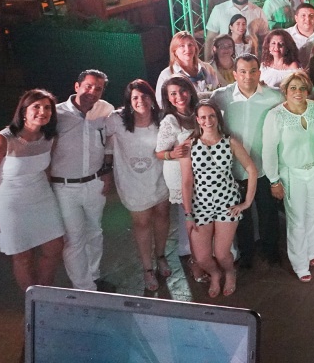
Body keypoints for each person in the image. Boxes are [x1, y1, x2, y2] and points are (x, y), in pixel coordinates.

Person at [0, 89, 65, 291]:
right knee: (23, 257)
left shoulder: (49, 137)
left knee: (54, 248)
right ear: (23, 111)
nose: (42, 112)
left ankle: (43, 295)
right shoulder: (3, 140)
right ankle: (32, 301)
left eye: (47, 107)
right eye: (36, 107)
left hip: (41, 199)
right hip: (10, 204)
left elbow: (45, 169)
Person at [209, 54, 285, 268]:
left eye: (252, 71)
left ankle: (271, 251)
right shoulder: (222, 96)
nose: (248, 76)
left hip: (263, 166)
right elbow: (204, 111)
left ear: (259, 73)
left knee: (268, 212)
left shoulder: (274, 96)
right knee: (239, 214)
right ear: (235, 74)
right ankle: (246, 254)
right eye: (242, 72)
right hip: (233, 169)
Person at [180, 101, 257, 298]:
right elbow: (187, 182)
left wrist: (247, 202)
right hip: (200, 205)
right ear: (197, 120)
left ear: (218, 118)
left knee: (222, 254)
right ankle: (215, 274)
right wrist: (188, 214)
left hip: (227, 203)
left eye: (212, 116)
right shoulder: (189, 145)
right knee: (202, 257)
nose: (208, 121)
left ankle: (230, 272)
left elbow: (251, 169)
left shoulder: (230, 142)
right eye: (203, 117)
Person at [50, 70, 114, 292]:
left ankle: (93, 277)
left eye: (98, 88)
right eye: (88, 86)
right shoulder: (56, 114)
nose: (92, 92)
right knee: (75, 238)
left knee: (95, 232)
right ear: (77, 86)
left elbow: (109, 142)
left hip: (95, 183)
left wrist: (107, 169)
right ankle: (84, 288)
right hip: (64, 186)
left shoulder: (105, 109)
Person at [104, 80, 170, 292]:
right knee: (142, 223)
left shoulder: (162, 118)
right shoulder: (117, 120)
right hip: (132, 181)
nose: (140, 100)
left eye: (144, 96)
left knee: (162, 216)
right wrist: (106, 166)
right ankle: (147, 268)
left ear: (152, 98)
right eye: (135, 97)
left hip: (160, 177)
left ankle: (161, 256)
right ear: (129, 101)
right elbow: (101, 138)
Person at [261, 71, 314, 282]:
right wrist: (274, 181)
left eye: (302, 88)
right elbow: (269, 151)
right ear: (285, 91)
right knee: (297, 219)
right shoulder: (276, 116)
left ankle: (310, 251)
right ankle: (299, 264)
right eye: (293, 88)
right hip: (291, 173)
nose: (298, 92)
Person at [156, 76, 202, 276]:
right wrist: (172, 154)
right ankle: (195, 261)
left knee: (201, 215)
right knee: (191, 217)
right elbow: (159, 152)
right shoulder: (170, 120)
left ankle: (204, 255)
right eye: (173, 94)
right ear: (167, 98)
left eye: (182, 91)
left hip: (202, 172)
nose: (179, 96)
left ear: (190, 91)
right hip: (179, 174)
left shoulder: (198, 111)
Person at [204, 0, 268, 59]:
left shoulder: (258, 11)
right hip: (224, 61)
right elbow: (210, 38)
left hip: (249, 61)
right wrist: (207, 62)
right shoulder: (219, 9)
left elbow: (265, 40)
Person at [156, 32, 219, 104]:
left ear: (195, 48)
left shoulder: (208, 68)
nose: (187, 49)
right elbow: (162, 103)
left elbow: (216, 94)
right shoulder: (167, 75)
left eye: (190, 45)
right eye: (182, 46)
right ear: (174, 51)